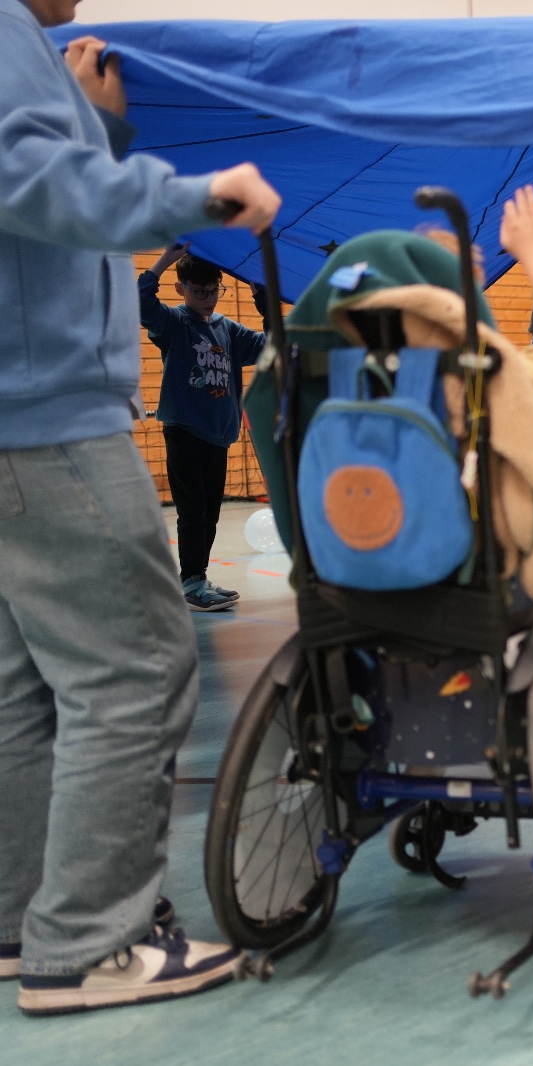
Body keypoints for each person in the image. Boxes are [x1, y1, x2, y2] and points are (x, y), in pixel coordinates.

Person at [1, 0, 280, 1014]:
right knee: (139, 667)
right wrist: (200, 191)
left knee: (25, 686)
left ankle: (20, 916)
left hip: (14, 422)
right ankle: (86, 944)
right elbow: (33, 181)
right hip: (47, 420)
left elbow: (44, 206)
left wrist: (98, 127)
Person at [139, 245, 267, 611]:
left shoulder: (229, 331)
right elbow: (140, 303)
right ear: (181, 289)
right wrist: (164, 260)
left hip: (218, 435)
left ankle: (199, 577)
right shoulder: (174, 324)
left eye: (214, 291)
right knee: (192, 511)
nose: (208, 299)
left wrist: (263, 300)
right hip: (184, 430)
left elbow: (276, 344)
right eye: (199, 291)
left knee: (210, 513)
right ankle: (191, 582)